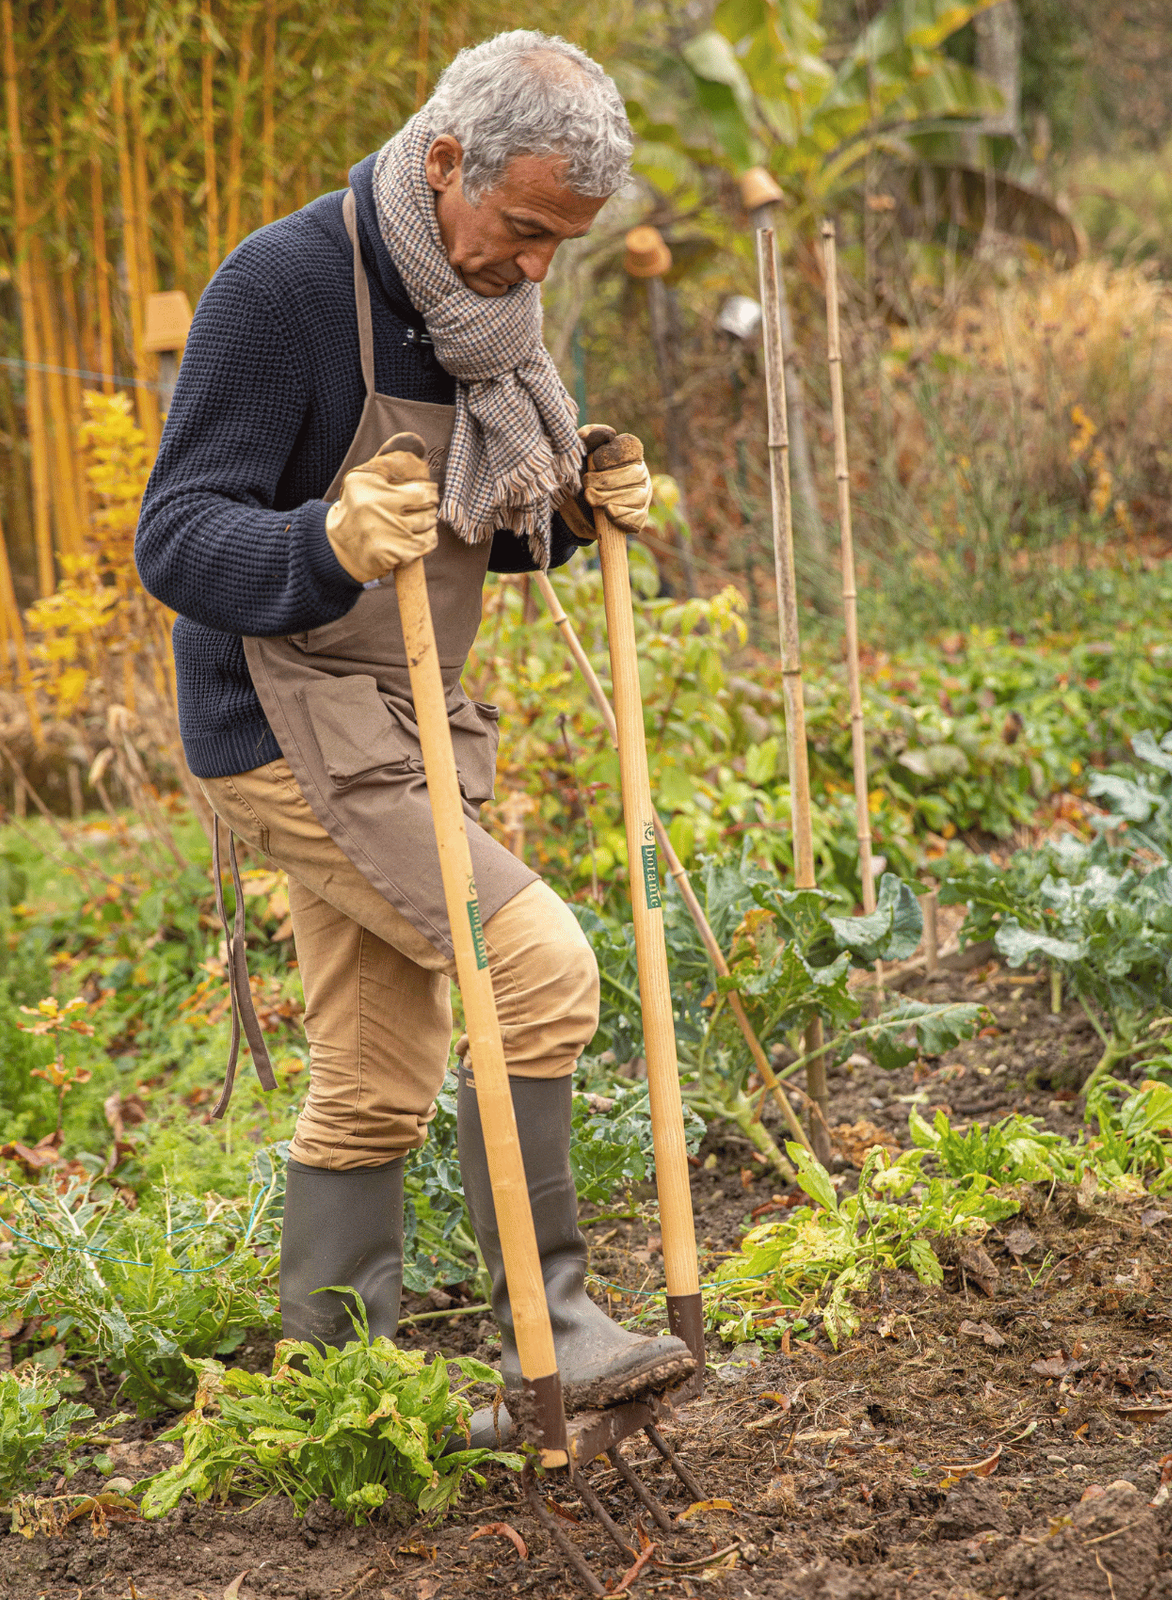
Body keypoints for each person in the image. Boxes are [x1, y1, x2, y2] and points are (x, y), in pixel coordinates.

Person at [134, 30, 695, 1430]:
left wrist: (564, 518)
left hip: (402, 717)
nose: (534, 268)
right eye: (521, 229)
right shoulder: (284, 288)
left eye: (564, 242)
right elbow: (179, 535)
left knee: (375, 1081)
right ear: (445, 162)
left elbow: (469, 530)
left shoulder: (476, 308)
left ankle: (342, 1396)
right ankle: (553, 1324)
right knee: (540, 967)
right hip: (281, 720)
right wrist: (321, 538)